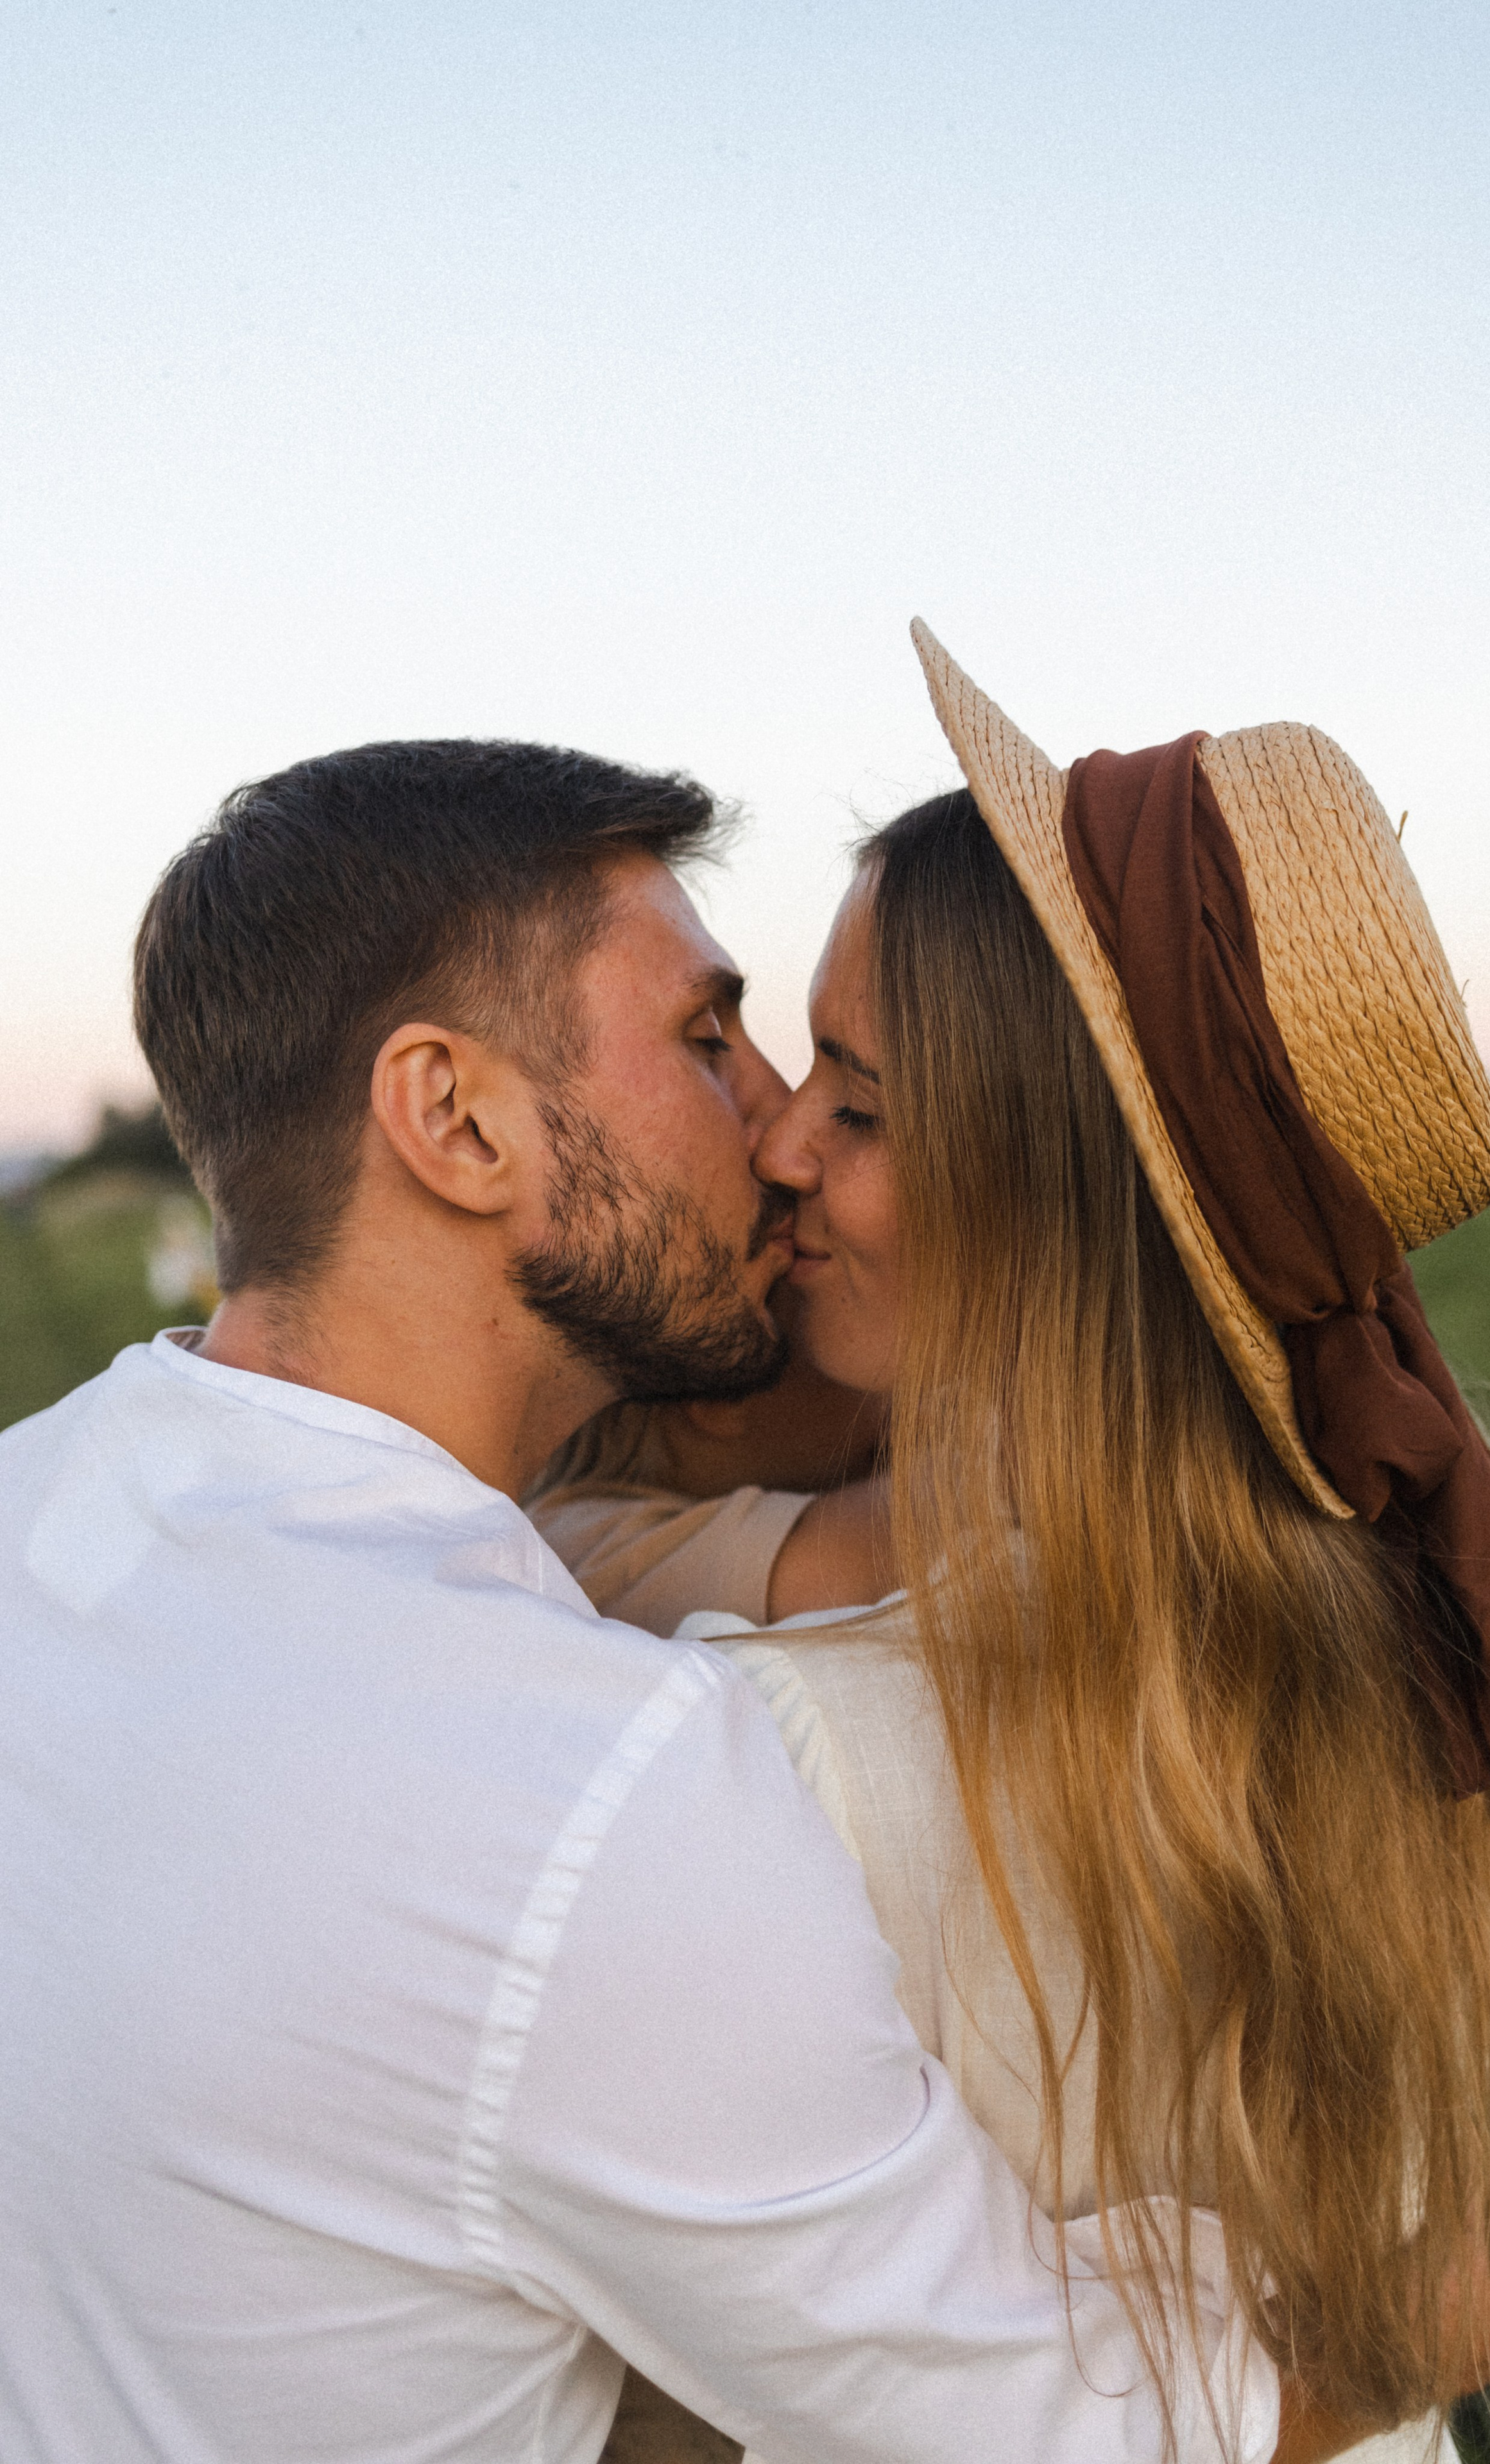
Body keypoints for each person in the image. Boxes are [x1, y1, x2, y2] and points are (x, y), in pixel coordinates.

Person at [0, 735, 1349, 2463]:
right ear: (457, 1119)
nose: (779, 1123)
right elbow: (1055, 2427)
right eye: (707, 1038)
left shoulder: (44, 1502)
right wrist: (1404, 2329)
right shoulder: (589, 1791)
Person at [534, 628, 1490, 2464]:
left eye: (863, 1102)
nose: (786, 1145)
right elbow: (1437, 2284)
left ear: (1062, 1219)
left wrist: (795, 1552)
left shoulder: (779, 1751)